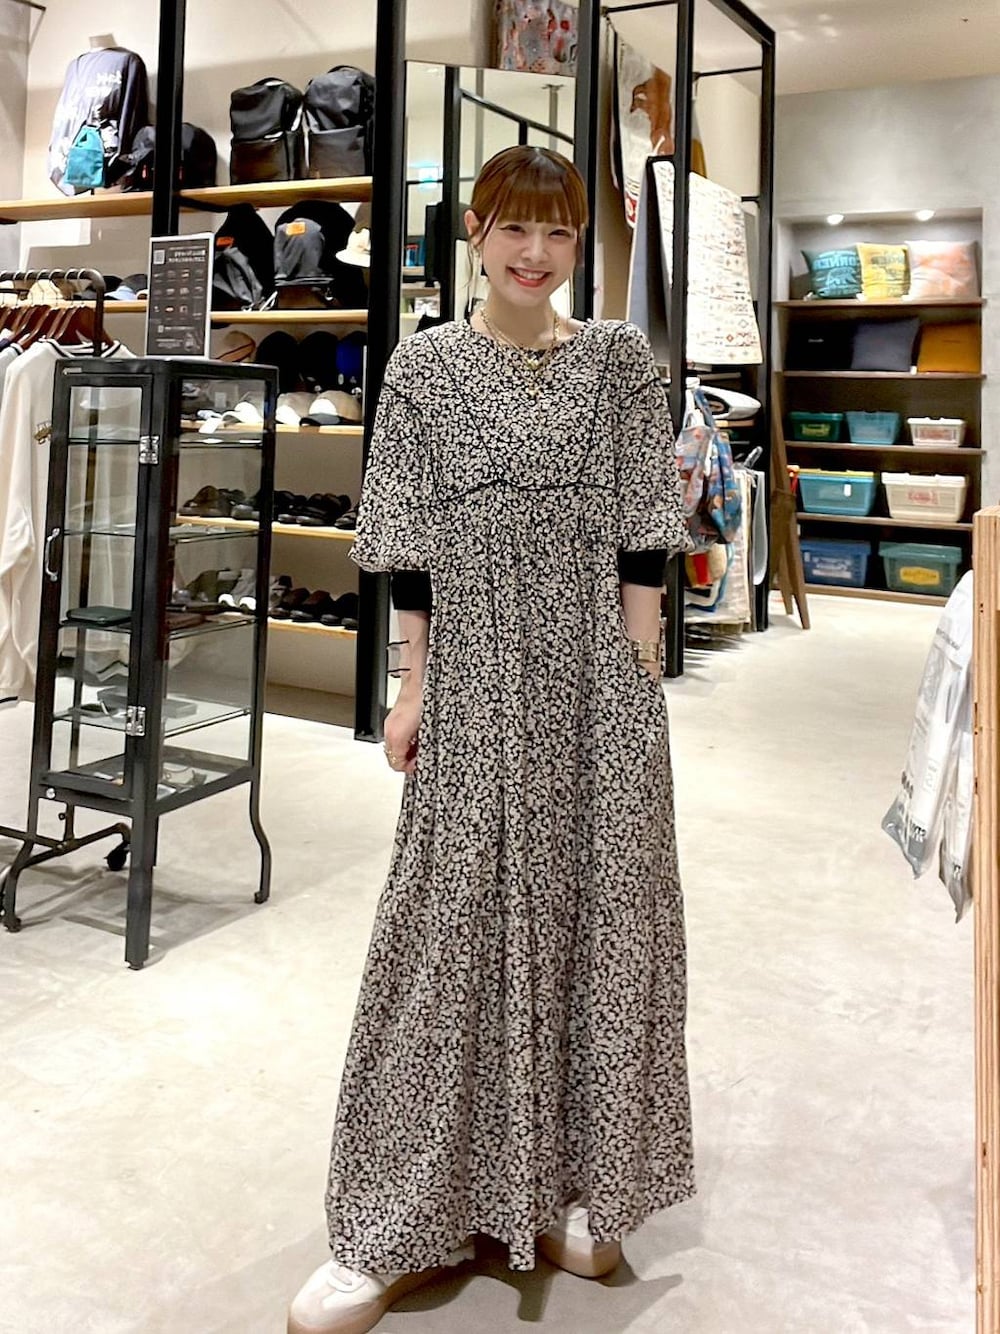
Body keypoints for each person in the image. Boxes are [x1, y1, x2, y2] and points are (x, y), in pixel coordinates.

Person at [288, 145, 695, 1334]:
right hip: (472, 681)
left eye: (558, 232)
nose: (535, 253)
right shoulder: (422, 367)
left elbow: (643, 530)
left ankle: (577, 1183)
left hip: (597, 688)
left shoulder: (618, 360)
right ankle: (395, 1219)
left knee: (603, 929)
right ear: (473, 231)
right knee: (447, 930)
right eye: (514, 227)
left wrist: (637, 671)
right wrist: (409, 689)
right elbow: (406, 549)